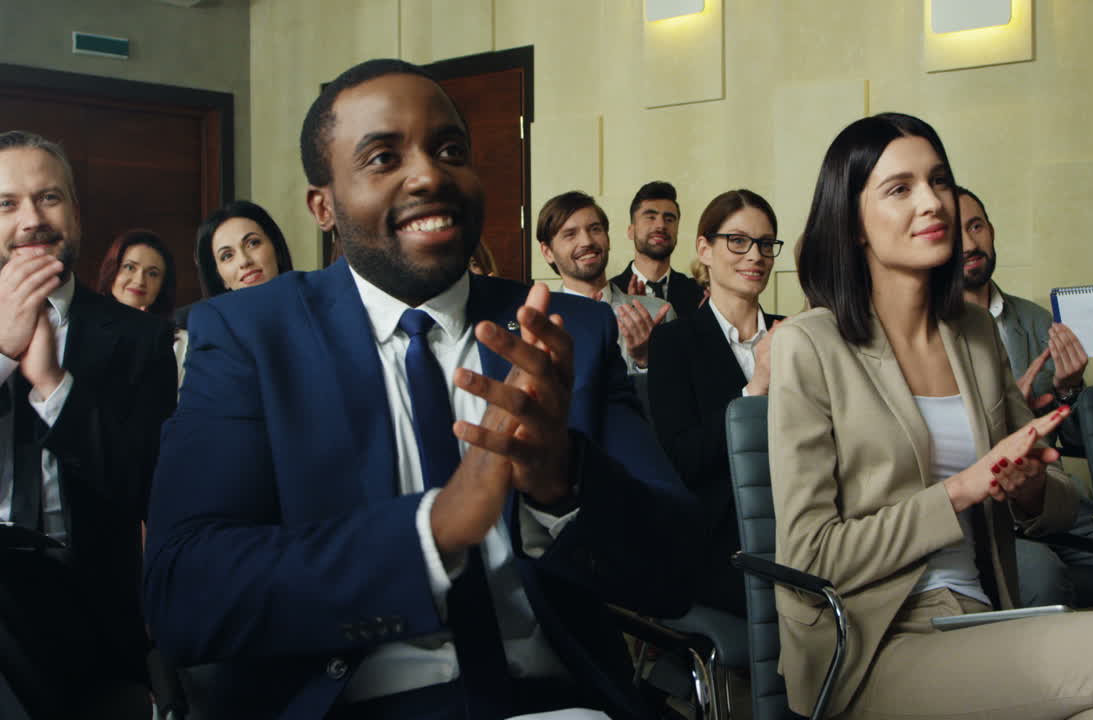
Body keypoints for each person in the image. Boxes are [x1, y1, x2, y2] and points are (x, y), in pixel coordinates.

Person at [143, 59, 696, 719]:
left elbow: (677, 572)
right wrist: (429, 533)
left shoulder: (561, 328)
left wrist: (563, 482)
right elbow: (185, 593)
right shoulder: (250, 337)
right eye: (382, 157)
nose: (430, 174)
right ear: (324, 205)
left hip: (554, 701)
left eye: (450, 150)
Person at [768, 112, 1093, 719]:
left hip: (985, 615)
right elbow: (809, 556)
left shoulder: (975, 332)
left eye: (938, 181)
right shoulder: (810, 344)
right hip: (875, 643)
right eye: (899, 189)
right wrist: (961, 489)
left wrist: (1032, 488)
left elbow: (1057, 501)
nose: (934, 203)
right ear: (852, 223)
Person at [0, 130, 176, 718]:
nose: (32, 220)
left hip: (89, 611)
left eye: (49, 198)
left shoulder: (141, 338)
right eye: (6, 204)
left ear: (74, 212)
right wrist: (3, 354)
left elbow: (145, 487)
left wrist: (53, 386)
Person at [955, 185, 1093, 608]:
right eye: (955, 233)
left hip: (1050, 494)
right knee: (1043, 575)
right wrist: (1006, 410)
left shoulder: (1036, 321)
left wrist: (1068, 389)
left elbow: (1075, 441)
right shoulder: (932, 329)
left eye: (976, 226)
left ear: (992, 230)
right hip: (983, 506)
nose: (969, 243)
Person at [647, 188, 783, 617]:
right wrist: (755, 387)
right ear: (705, 249)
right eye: (738, 241)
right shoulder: (673, 342)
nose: (755, 256)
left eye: (765, 244)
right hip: (720, 538)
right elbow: (683, 460)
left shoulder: (792, 334)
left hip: (797, 524)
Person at [536, 190, 673, 374]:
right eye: (570, 234)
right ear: (547, 252)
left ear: (608, 239)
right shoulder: (540, 322)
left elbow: (675, 397)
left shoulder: (657, 313)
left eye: (595, 229)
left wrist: (645, 361)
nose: (586, 241)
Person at [608, 181, 704, 317]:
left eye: (669, 219)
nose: (661, 225)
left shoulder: (699, 293)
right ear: (631, 231)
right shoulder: (610, 293)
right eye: (650, 217)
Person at [96, 228, 177, 319]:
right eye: (130, 267)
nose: (139, 281)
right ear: (111, 270)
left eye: (152, 274)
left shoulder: (175, 333)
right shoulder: (83, 326)